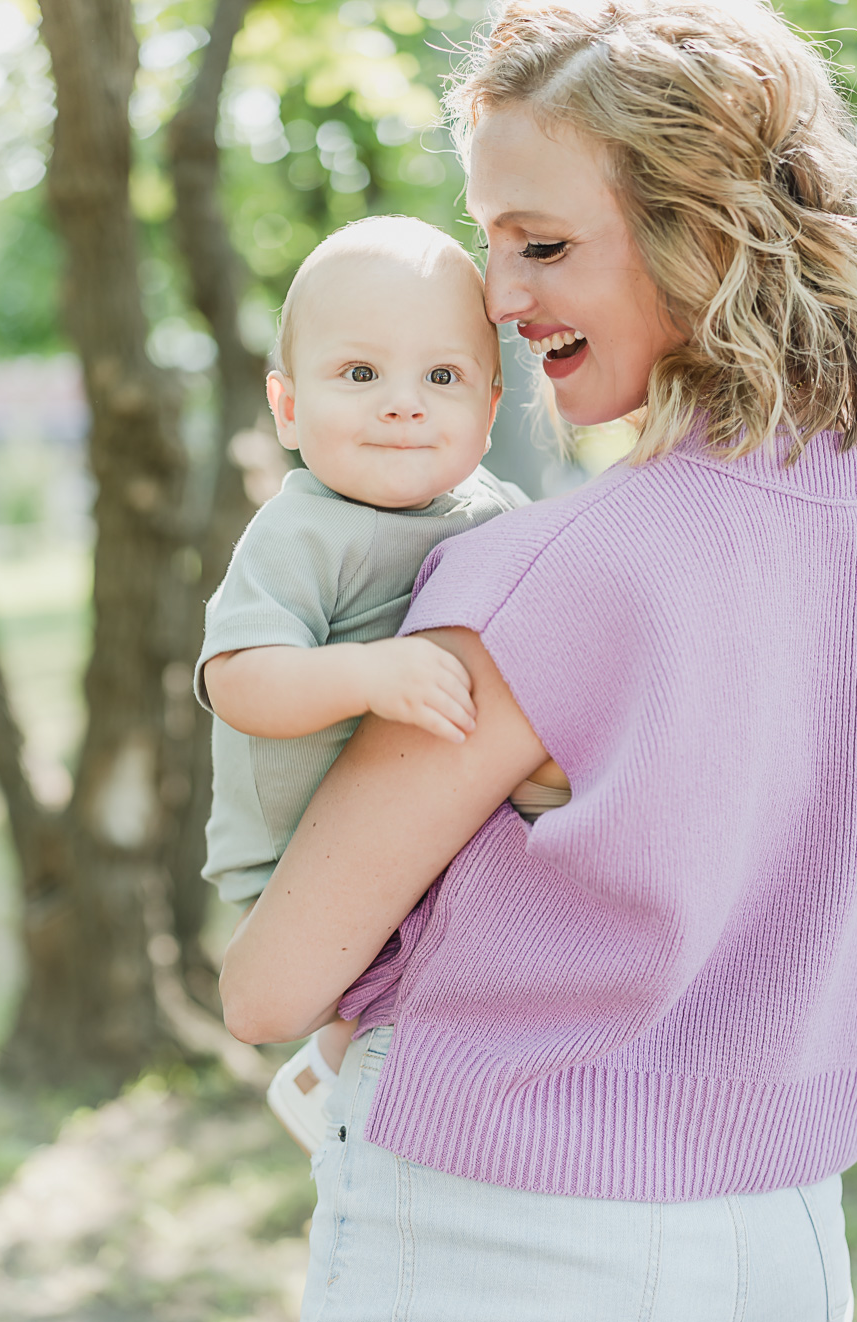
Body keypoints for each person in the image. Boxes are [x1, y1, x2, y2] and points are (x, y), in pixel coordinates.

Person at [219, 2, 857, 1322]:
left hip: (497, 1239)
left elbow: (268, 990)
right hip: (788, 1242)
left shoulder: (546, 573)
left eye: (541, 243)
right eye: (487, 238)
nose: (499, 293)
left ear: (700, 230)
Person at [195, 215, 556, 1152]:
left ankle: (365, 1083)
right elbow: (239, 682)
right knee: (375, 991)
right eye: (360, 376)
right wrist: (365, 673)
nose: (403, 405)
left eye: (441, 378)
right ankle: (335, 1078)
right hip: (292, 856)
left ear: (488, 406)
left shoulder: (496, 515)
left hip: (418, 829)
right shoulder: (300, 532)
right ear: (285, 408)